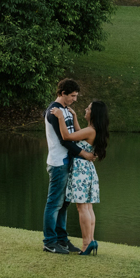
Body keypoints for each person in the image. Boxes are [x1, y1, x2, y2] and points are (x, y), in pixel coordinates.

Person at [43, 79, 96, 255]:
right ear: (62, 93)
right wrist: (84, 154)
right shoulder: (53, 111)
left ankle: (62, 240)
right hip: (59, 163)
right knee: (54, 204)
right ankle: (49, 242)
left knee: (64, 204)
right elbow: (64, 140)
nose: (75, 99)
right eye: (72, 96)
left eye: (76, 96)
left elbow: (74, 135)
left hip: (69, 162)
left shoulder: (65, 111)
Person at [52, 101, 110, 256]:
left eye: (88, 108)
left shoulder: (91, 131)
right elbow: (80, 134)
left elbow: (67, 136)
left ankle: (86, 244)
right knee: (88, 207)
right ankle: (91, 240)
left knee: (82, 208)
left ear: (94, 113)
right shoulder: (93, 130)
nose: (86, 109)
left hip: (81, 171)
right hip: (88, 170)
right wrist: (75, 117)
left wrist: (60, 117)